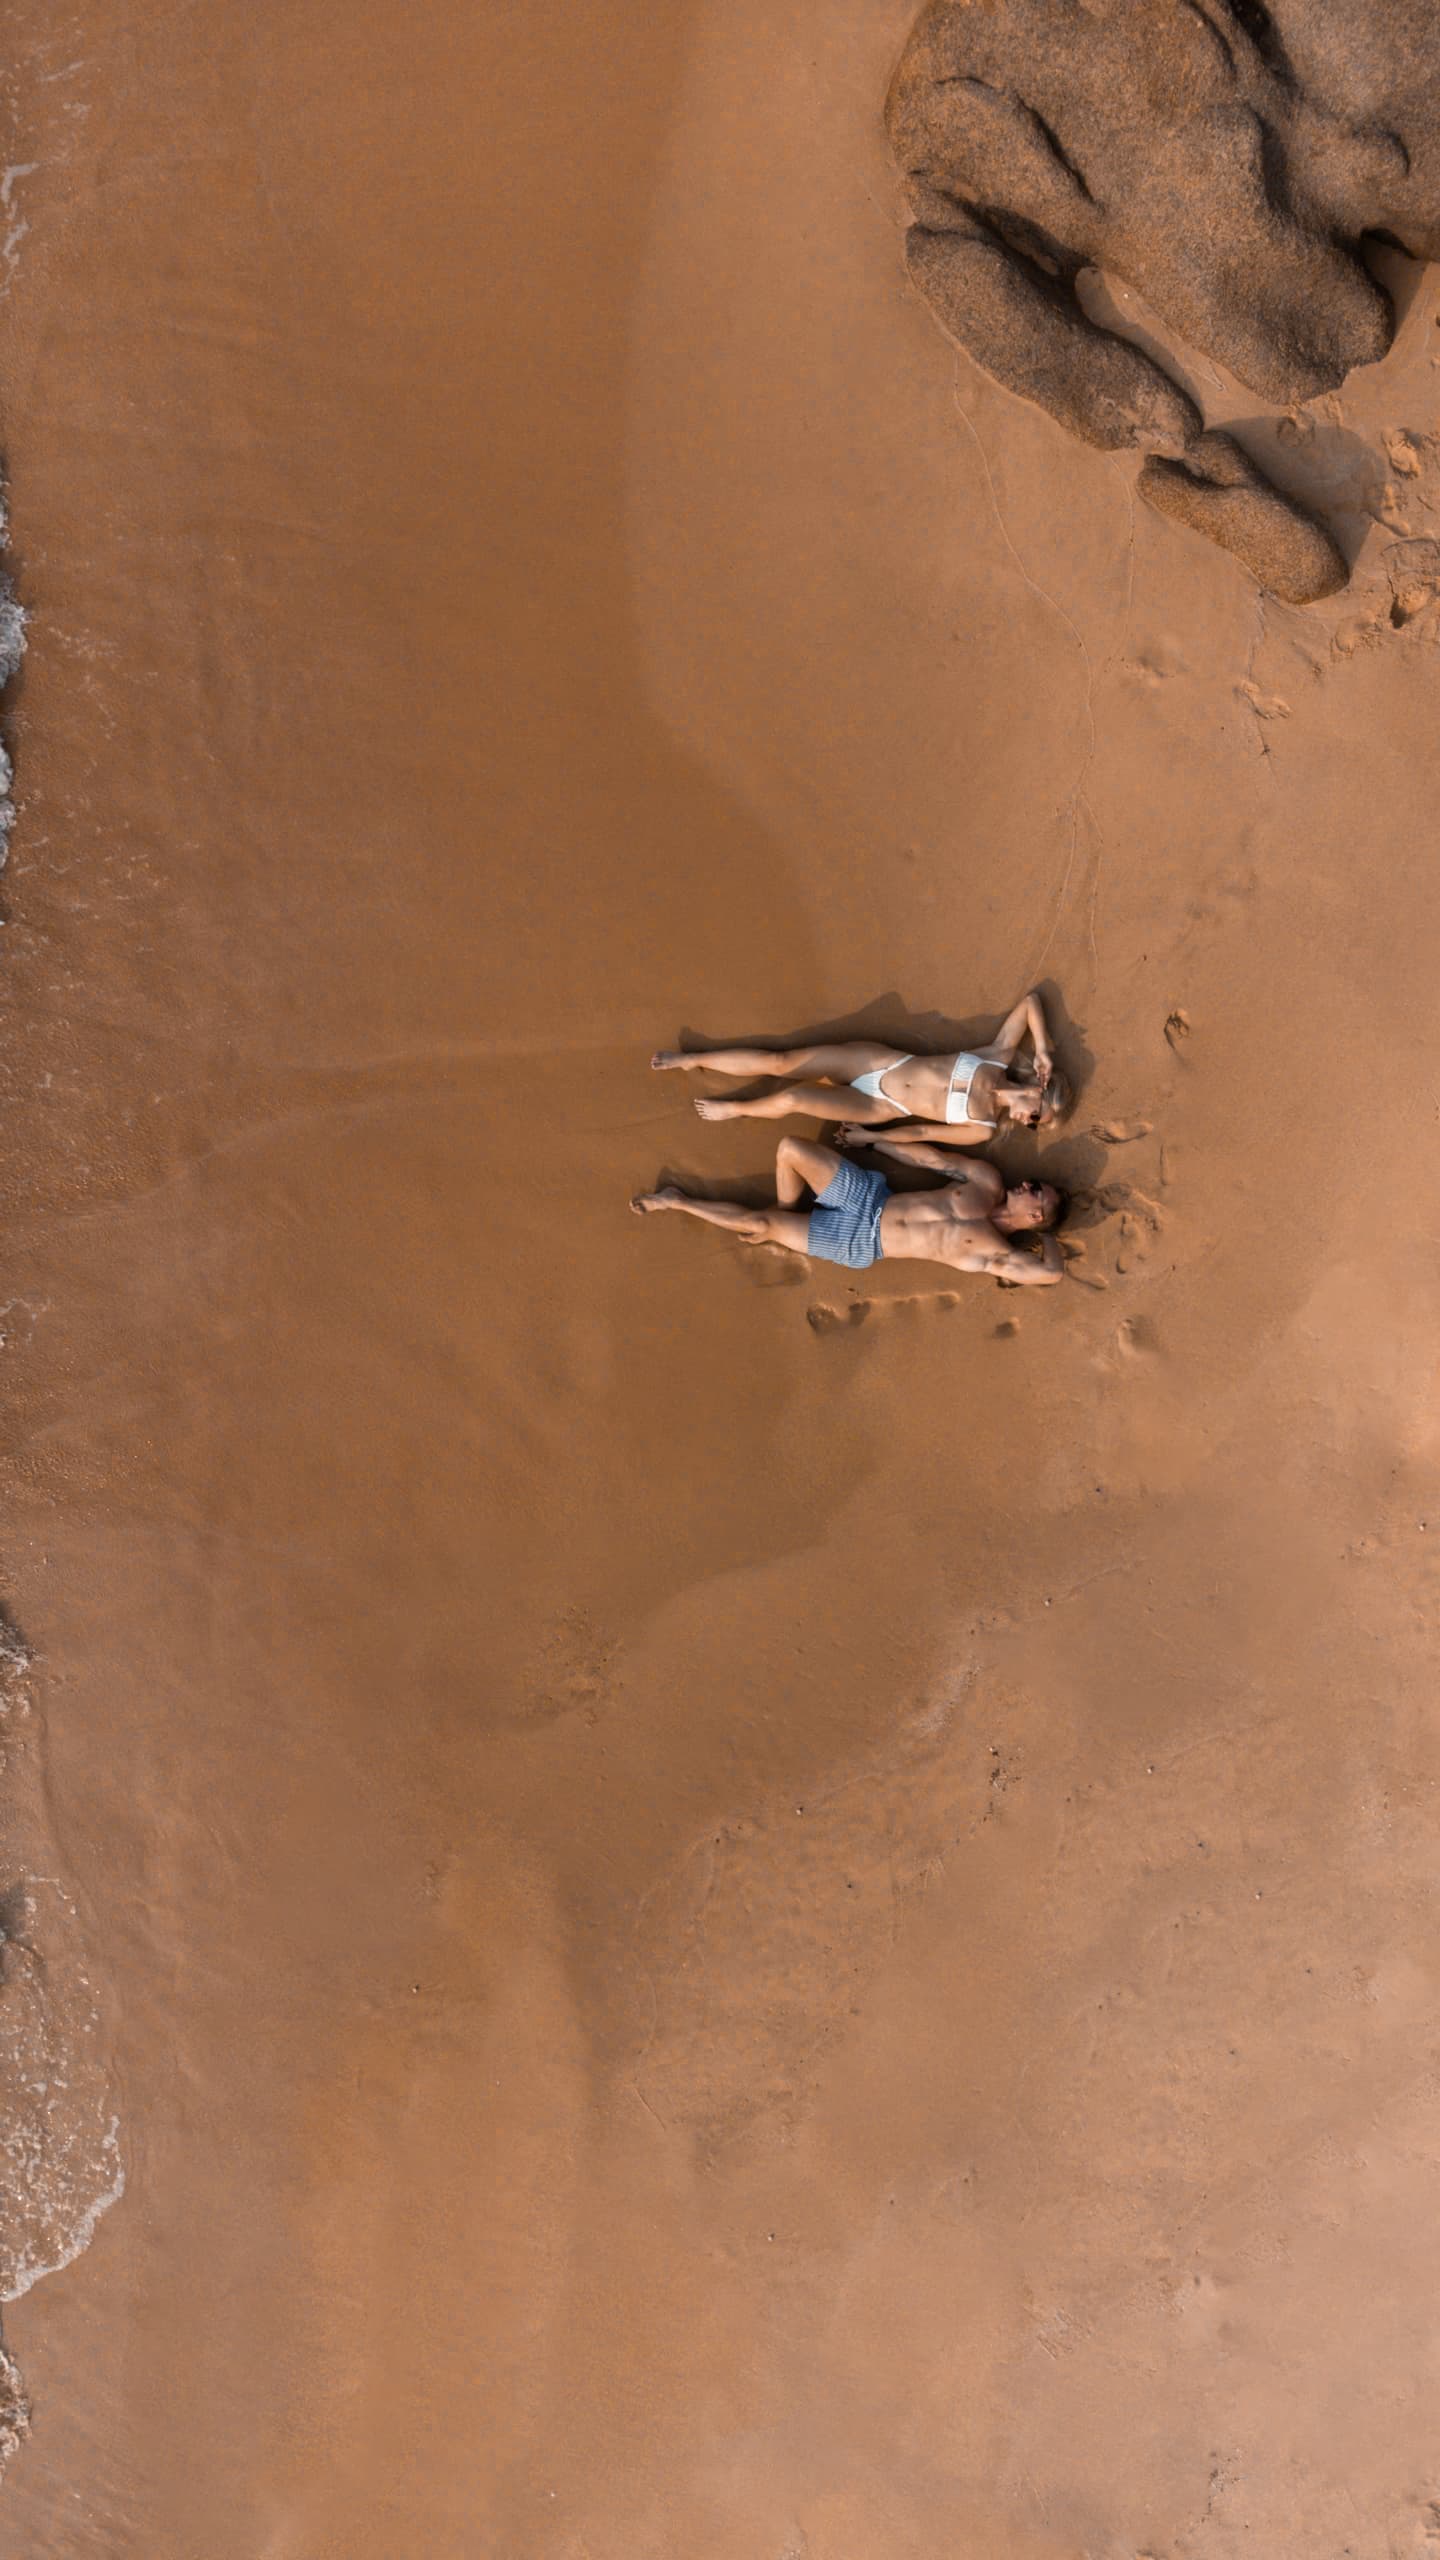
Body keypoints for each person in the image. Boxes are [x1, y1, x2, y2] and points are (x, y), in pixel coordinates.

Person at [631, 1134, 1067, 1286]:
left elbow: (1049, 1273)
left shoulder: (993, 1252)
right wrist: (873, 1141)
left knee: (758, 1224)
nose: (1026, 1183)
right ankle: (787, 1213)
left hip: (858, 1242)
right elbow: (929, 1160)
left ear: (1035, 1215)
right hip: (867, 1198)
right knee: (789, 1149)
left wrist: (1049, 1237)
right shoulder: (987, 1180)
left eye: (1036, 1193)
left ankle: (675, 1201)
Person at [650, 987, 1069, 1144]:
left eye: (1033, 1125)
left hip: (881, 1109)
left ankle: (735, 1109)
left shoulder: (982, 1129)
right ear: (1039, 1089)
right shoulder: (997, 1057)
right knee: (781, 1063)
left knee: (795, 1097)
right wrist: (1045, 1048)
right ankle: (692, 1060)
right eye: (1037, 1116)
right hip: (882, 1062)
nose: (1027, 1122)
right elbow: (1031, 1002)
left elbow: (923, 1132)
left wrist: (873, 1139)